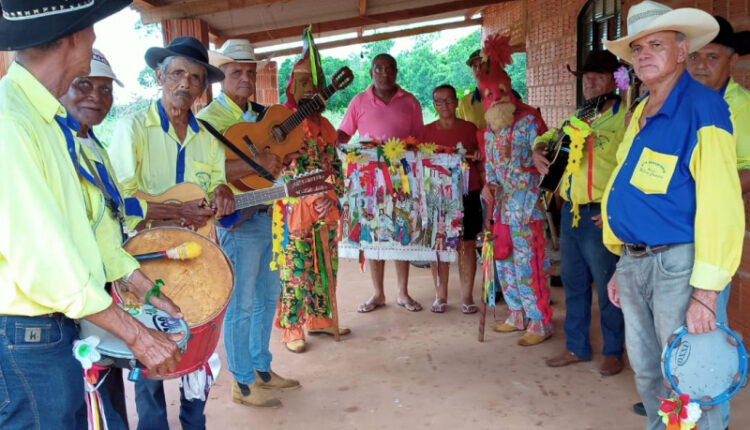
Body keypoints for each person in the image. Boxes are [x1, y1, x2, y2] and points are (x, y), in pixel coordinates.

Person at [0, 2, 183, 429]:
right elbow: (45, 262)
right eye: (92, 29)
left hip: (52, 329)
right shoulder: (11, 123)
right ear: (72, 36)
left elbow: (88, 225)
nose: (95, 38)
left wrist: (143, 287)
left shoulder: (46, 120)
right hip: (28, 337)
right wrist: (138, 335)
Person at [602, 3, 743, 429]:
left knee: (694, 377)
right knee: (648, 373)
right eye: (638, 47)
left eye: (656, 45)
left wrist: (707, 291)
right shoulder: (642, 110)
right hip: (635, 261)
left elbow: (722, 202)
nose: (643, 54)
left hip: (678, 266)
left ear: (682, 52)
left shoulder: (704, 108)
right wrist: (620, 263)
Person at [108, 36, 235, 430]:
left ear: (202, 88)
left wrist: (222, 192)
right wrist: (173, 211)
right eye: (177, 73)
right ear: (159, 76)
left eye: (195, 78)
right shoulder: (134, 128)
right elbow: (121, 198)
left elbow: (214, 185)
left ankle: (194, 422)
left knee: (197, 343)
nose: (185, 83)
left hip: (196, 260)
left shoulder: (207, 137)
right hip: (145, 261)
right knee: (151, 351)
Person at [197, 38, 299, 408]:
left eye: (250, 72)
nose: (245, 77)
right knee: (240, 305)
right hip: (239, 221)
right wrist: (258, 166)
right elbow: (209, 171)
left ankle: (262, 369)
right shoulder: (209, 121)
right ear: (221, 76)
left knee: (267, 298)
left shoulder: (263, 114)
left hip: (271, 214)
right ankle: (241, 383)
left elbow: (278, 153)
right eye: (236, 71)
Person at [533, 50, 626, 375]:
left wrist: (617, 210)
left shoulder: (625, 118)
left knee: (608, 287)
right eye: (585, 77)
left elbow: (631, 168)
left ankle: (614, 350)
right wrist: (538, 149)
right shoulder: (579, 115)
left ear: (614, 81)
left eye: (596, 77)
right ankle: (577, 346)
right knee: (573, 284)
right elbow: (549, 136)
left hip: (602, 215)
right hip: (571, 213)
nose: (588, 82)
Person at [686, 15, 749, 429]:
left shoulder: (741, 106)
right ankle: (682, 400)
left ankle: (712, 415)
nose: (701, 65)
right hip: (674, 235)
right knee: (679, 326)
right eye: (693, 56)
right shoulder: (680, 100)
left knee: (707, 328)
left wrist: (707, 194)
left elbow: (747, 172)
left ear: (731, 61)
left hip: (711, 235)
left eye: (712, 56)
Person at [274, 30, 351, 353]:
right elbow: (278, 168)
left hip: (325, 206)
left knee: (326, 263)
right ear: (291, 87)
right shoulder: (281, 122)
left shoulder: (326, 126)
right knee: (297, 268)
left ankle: (320, 319)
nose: (310, 90)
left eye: (314, 85)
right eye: (303, 84)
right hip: (295, 208)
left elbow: (335, 165)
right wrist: (307, 197)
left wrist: (334, 194)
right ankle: (292, 327)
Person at [478, 34, 554, 346]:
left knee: (529, 264)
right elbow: (491, 169)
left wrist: (538, 151)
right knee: (504, 263)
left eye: (500, 92)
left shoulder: (528, 121)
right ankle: (517, 314)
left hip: (526, 210)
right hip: (501, 211)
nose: (495, 99)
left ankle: (540, 321)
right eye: (489, 94)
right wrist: (487, 186)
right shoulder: (489, 133)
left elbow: (545, 141)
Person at [337, 53, 425, 313]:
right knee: (372, 231)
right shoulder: (359, 101)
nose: (384, 74)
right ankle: (377, 294)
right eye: (379, 69)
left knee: (401, 229)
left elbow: (419, 139)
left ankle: (403, 293)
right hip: (367, 180)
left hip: (403, 178)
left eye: (389, 69)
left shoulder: (410, 101)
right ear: (371, 73)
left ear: (396, 72)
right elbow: (343, 134)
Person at [419, 84, 483, 314]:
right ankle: (440, 296)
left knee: (466, 244)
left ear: (456, 103)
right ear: (434, 105)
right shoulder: (424, 133)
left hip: (468, 192)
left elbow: (481, 157)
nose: (444, 105)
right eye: (439, 101)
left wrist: (476, 156)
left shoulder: (470, 128)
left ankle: (467, 297)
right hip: (436, 195)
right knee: (439, 244)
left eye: (448, 100)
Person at [458, 49, 487, 130]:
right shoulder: (464, 103)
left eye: (483, 64)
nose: (478, 69)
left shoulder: (509, 96)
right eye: (474, 66)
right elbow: (462, 132)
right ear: (471, 72)